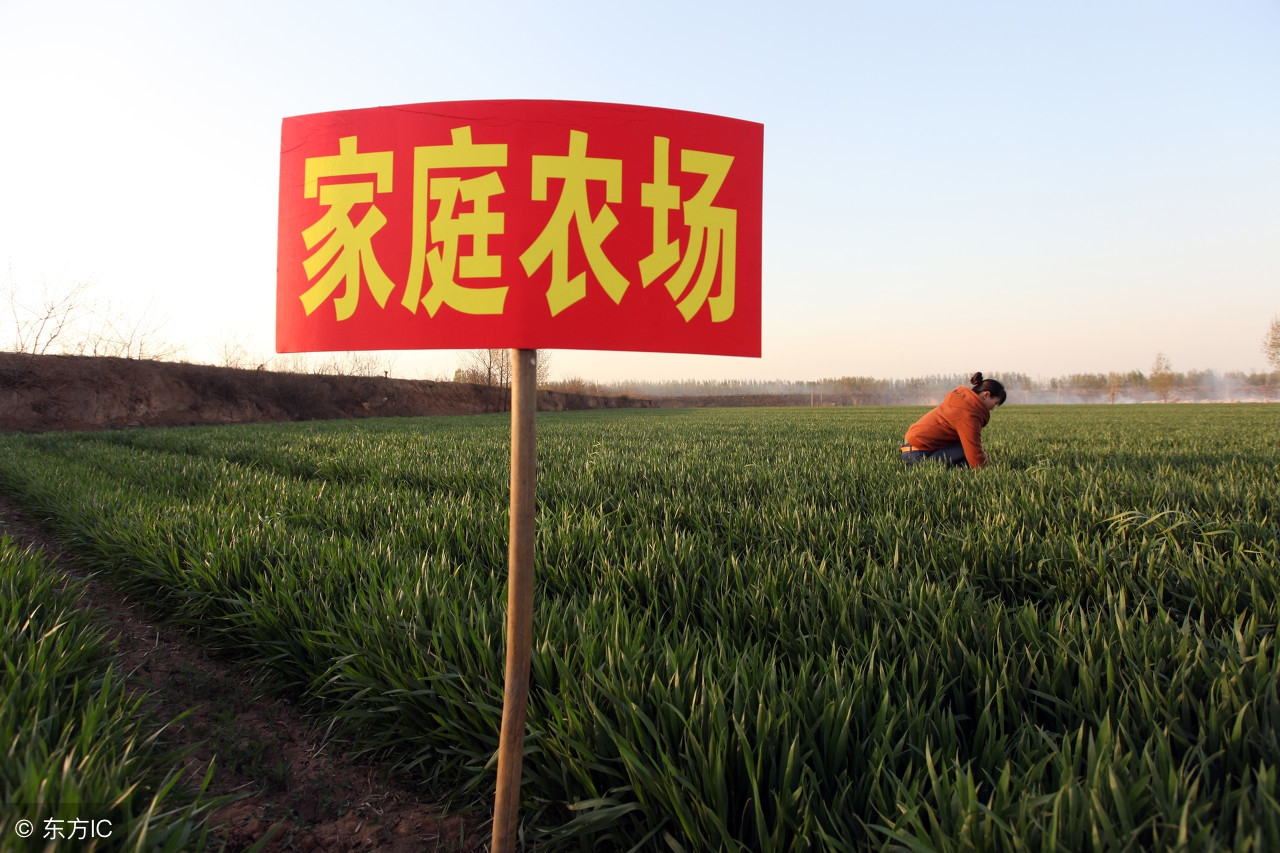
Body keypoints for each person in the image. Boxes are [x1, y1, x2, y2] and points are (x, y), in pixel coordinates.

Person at [900, 372, 1006, 467]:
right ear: (986, 395)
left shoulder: (962, 403)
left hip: (910, 451)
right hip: (918, 455)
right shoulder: (968, 414)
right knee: (970, 453)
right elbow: (974, 452)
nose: (993, 407)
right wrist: (986, 468)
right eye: (995, 402)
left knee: (966, 462)